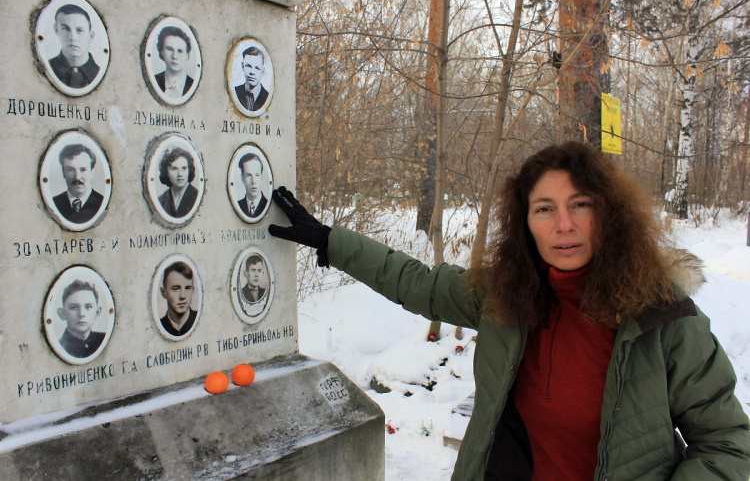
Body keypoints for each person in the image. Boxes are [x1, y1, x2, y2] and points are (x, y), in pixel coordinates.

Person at [268, 141, 750, 480]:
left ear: (609, 213)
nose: (563, 225)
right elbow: (418, 284)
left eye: (579, 204)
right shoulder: (509, 296)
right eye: (544, 209)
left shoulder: (662, 317)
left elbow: (729, 445)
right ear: (526, 223)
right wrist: (330, 240)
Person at [48, 4, 100, 89]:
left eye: (79, 30)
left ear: (91, 36)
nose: (72, 38)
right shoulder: (48, 68)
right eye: (65, 29)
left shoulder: (99, 74)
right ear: (56, 30)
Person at [52, 144, 104, 224]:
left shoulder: (102, 203)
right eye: (70, 170)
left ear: (92, 172)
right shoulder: (54, 203)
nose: (77, 177)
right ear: (63, 173)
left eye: (83, 170)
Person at [57, 279, 106, 358]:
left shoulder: (105, 340)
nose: (81, 314)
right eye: (74, 307)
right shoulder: (59, 346)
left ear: (97, 312)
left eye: (88, 307)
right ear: (62, 313)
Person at [157, 146, 198, 218]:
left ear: (189, 170)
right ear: (167, 172)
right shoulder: (161, 200)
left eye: (184, 168)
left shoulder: (196, 196)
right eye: (174, 169)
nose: (180, 174)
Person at [159, 261, 198, 337]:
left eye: (187, 288)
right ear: (164, 292)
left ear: (193, 290)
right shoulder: (161, 325)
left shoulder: (199, 319)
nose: (182, 296)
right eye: (176, 289)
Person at [154, 26, 194, 98]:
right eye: (169, 49)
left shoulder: (193, 85)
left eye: (180, 51)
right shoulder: (154, 81)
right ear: (162, 51)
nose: (175, 56)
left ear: (187, 55)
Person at [234, 46, 269, 112]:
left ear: (262, 71)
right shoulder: (235, 92)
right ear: (242, 66)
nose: (252, 72)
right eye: (248, 66)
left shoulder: (267, 96)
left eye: (257, 68)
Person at [236, 152, 268, 218]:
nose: (253, 181)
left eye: (257, 175)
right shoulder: (238, 205)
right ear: (242, 178)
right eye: (249, 175)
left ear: (261, 177)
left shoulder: (267, 204)